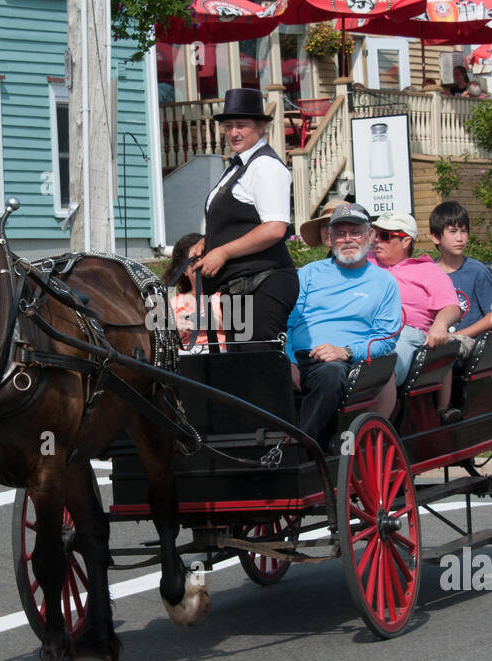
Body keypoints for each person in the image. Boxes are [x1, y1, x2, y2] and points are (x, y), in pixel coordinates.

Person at [285, 203, 402, 450]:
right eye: (340, 233)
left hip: (341, 363)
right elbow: (287, 321)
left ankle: (302, 447)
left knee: (332, 373)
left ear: (370, 236)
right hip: (297, 357)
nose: (348, 239)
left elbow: (385, 339)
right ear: (330, 238)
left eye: (355, 232)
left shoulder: (384, 282)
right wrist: (289, 361)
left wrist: (345, 351)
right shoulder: (308, 274)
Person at [190, 88, 299, 348]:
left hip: (263, 283)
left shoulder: (265, 166)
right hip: (239, 287)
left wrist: (222, 252)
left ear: (261, 127)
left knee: (258, 366)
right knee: (241, 366)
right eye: (228, 126)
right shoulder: (238, 165)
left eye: (241, 125)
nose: (233, 133)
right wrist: (208, 241)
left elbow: (274, 228)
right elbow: (242, 219)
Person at [368, 212, 461, 385]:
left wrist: (440, 324)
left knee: (381, 371)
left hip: (404, 333)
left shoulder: (428, 271)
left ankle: (379, 412)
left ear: (406, 241)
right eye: (375, 234)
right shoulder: (365, 262)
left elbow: (451, 307)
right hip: (361, 329)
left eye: (385, 236)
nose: (377, 240)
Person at [428, 200, 492, 345]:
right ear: (435, 237)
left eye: (463, 231)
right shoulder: (427, 272)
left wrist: (458, 337)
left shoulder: (477, 271)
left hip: (471, 348)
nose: (460, 238)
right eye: (452, 231)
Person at [162, 234, 224, 353]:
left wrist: (214, 320)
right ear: (184, 270)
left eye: (206, 259)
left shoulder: (227, 295)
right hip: (186, 361)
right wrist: (180, 329)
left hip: (223, 357)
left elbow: (245, 326)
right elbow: (162, 343)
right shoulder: (172, 302)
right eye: (194, 262)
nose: (202, 265)